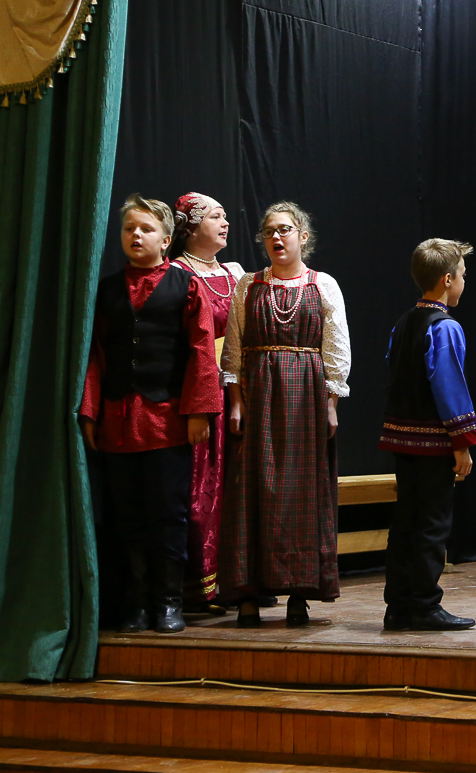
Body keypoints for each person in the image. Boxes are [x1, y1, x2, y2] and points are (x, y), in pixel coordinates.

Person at [79, 194, 221, 633]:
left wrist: (199, 411)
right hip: (119, 421)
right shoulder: (107, 290)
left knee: (167, 514)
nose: (135, 235)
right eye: (129, 229)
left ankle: (168, 603)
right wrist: (90, 413)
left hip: (167, 419)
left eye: (145, 229)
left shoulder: (187, 286)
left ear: (165, 239)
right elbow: (96, 355)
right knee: (127, 517)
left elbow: (201, 351)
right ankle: (138, 604)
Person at [221, 202, 351, 628]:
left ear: (302, 237)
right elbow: (234, 347)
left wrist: (331, 403)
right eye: (270, 231)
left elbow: (336, 348)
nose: (276, 238)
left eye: (285, 230)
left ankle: (299, 591)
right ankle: (248, 593)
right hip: (258, 393)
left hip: (305, 398)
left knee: (301, 490)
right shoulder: (248, 285)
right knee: (251, 488)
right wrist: (236, 400)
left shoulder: (323, 285)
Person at [378, 239, 476, 631]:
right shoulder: (445, 326)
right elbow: (448, 386)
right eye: (463, 276)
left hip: (401, 438)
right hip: (433, 441)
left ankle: (398, 605)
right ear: (447, 279)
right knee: (433, 524)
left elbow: (394, 372)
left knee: (406, 520)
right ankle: (423, 604)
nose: (464, 283)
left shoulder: (404, 322)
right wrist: (462, 442)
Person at [168, 192, 246, 610]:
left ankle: (241, 581)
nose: (225, 223)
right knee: (203, 487)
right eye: (216, 216)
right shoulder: (177, 274)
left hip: (240, 389)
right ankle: (200, 585)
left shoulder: (236, 273)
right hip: (203, 390)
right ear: (192, 226)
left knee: (240, 485)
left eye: (225, 215)